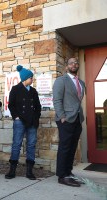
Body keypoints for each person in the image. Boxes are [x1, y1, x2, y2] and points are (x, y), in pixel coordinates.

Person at [53, 57, 85, 187]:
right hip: (66, 119)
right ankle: (62, 176)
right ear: (66, 66)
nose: (74, 64)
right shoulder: (61, 80)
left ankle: (68, 172)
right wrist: (62, 116)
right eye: (71, 62)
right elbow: (57, 100)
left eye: (76, 63)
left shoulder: (81, 83)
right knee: (65, 147)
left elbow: (77, 101)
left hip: (77, 119)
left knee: (72, 148)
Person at [5, 65, 41, 180]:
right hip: (20, 121)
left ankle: (29, 171)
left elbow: (38, 107)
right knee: (16, 145)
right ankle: (12, 170)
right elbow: (11, 105)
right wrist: (16, 117)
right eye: (31, 78)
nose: (32, 80)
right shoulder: (15, 89)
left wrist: (36, 118)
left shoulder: (34, 91)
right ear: (25, 78)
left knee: (31, 145)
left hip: (32, 122)